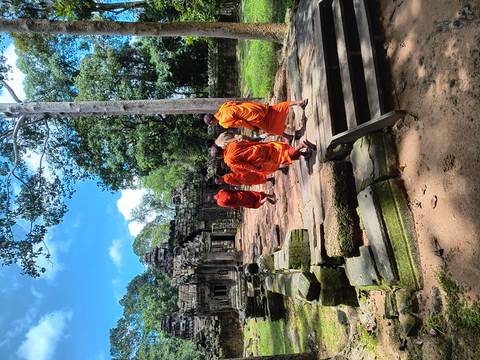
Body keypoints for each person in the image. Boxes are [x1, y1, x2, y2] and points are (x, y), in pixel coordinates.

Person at [210, 138, 316, 175]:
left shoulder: (229, 160)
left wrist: (256, 169)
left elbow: (244, 166)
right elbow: (246, 142)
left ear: (219, 156)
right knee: (281, 150)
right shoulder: (231, 144)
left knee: (282, 157)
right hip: (260, 147)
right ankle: (304, 153)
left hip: (259, 158)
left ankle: (301, 145)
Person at [204, 99, 308, 137]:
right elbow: (237, 103)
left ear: (212, 121)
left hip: (253, 117)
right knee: (276, 108)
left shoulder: (223, 122)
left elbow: (241, 122)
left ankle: (289, 136)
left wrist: (253, 129)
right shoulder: (223, 107)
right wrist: (251, 105)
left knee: (269, 128)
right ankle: (300, 102)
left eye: (212, 124)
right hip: (253, 107)